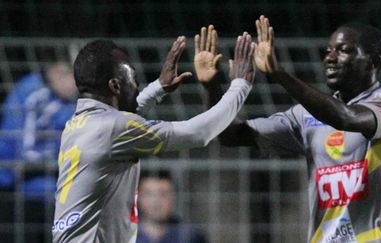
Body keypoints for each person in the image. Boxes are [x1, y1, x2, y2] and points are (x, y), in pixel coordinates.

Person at [199, 16, 381, 242]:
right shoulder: (305, 116)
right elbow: (230, 135)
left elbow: (345, 117)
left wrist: (279, 74)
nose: (330, 58)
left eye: (344, 51)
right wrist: (211, 87)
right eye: (328, 50)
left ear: (373, 62)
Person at [52, 32, 255, 243]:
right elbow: (197, 133)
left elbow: (122, 120)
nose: (137, 84)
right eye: (132, 78)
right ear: (114, 86)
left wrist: (158, 88)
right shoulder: (114, 128)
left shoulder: (78, 124)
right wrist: (241, 85)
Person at [0, 63, 76, 192]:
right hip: (15, 174)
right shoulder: (32, 93)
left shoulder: (66, 101)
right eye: (69, 75)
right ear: (54, 72)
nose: (74, 84)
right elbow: (28, 152)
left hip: (47, 172)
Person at [136, 171, 207, 243]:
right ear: (138, 197)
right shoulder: (127, 235)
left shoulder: (190, 236)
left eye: (163, 194)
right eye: (149, 195)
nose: (156, 202)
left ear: (173, 197)